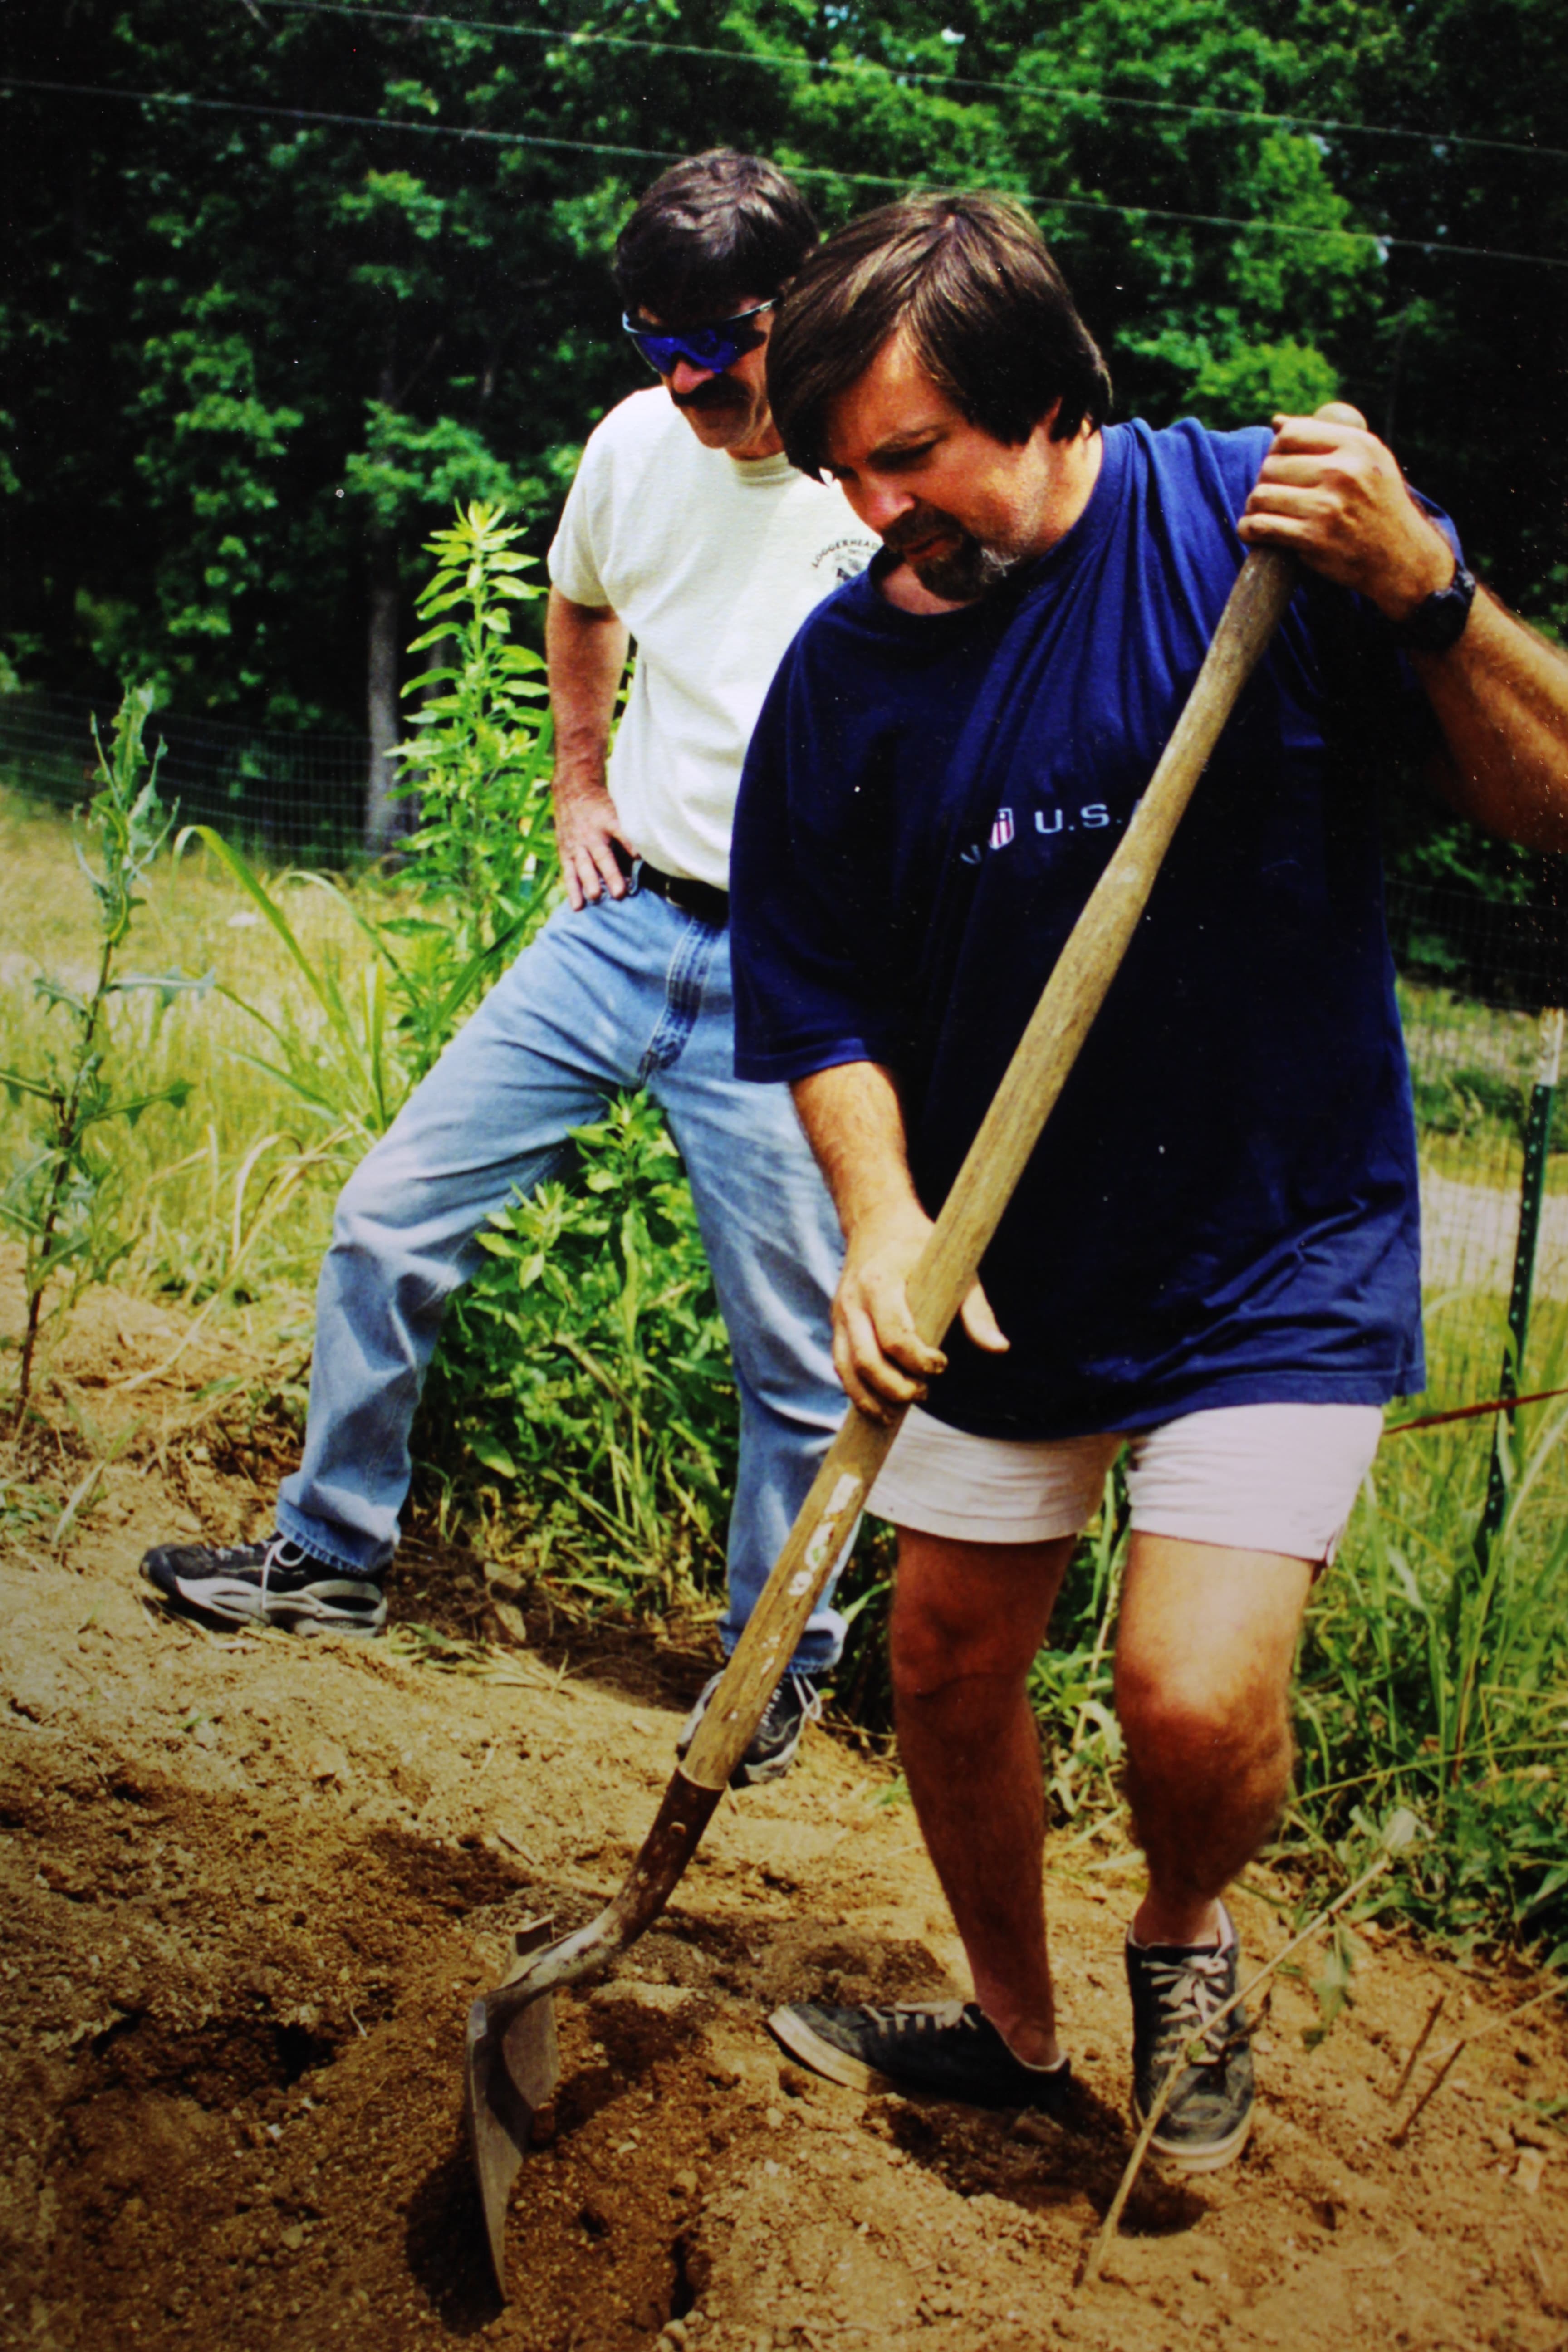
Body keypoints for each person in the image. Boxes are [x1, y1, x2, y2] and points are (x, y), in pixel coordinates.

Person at [729, 192, 1568, 2161]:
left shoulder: (1258, 532)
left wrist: (1430, 587)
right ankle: (1012, 2032)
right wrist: (881, 1217)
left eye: (908, 456)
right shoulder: (842, 682)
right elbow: (811, 992)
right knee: (939, 1667)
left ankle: (1183, 1935)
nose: (871, 513)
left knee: (1189, 1698)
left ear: (1043, 401)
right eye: (846, 470)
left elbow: (1546, 811)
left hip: (1272, 1243)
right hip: (1000, 1262)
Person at [139, 151, 877, 1784]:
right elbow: (577, 598)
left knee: (799, 1356)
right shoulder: (634, 446)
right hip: (623, 924)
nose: (687, 387)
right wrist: (578, 781)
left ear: (804, 306)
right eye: (653, 346)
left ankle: (772, 1672)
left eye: (721, 348)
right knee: (388, 1216)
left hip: (794, 982)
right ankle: (330, 1559)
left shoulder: (877, 479)